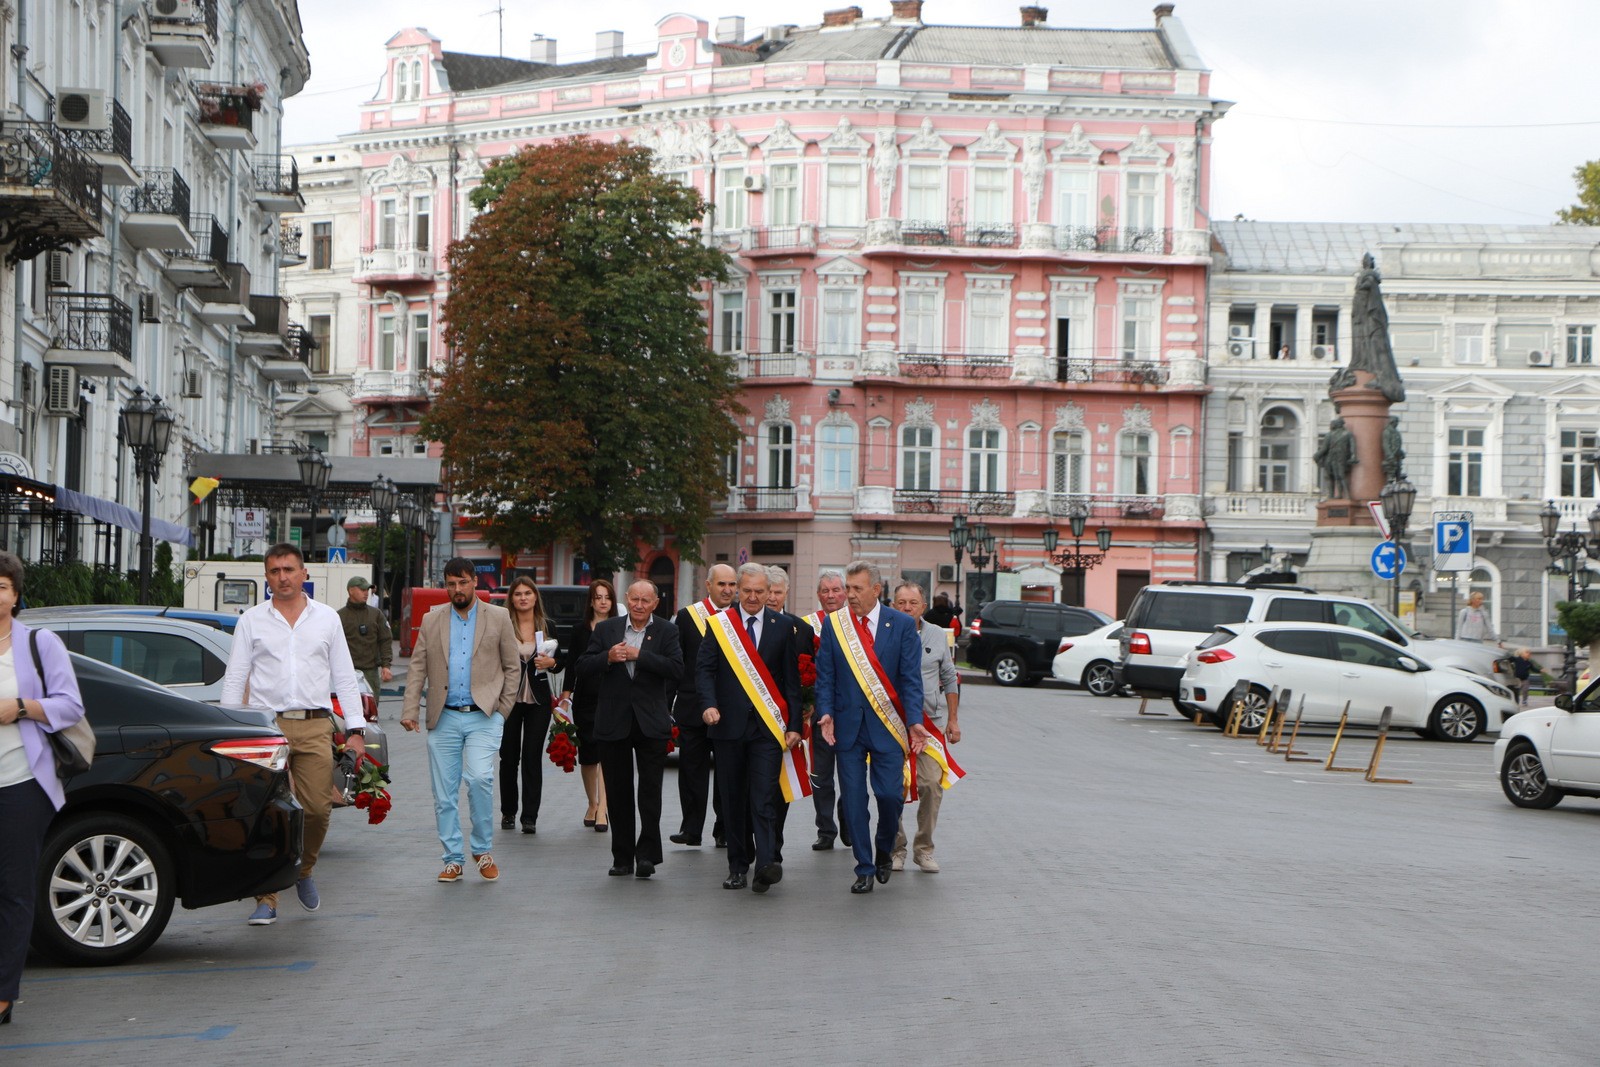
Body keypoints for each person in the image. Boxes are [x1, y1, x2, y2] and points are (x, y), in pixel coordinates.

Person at [222, 543, 366, 925]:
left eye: (288, 569)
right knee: (268, 812)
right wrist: (230, 725)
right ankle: (266, 897)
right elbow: (236, 677)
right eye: (274, 571)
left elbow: (344, 676)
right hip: (266, 725)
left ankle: (303, 871)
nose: (282, 577)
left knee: (318, 810)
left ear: (304, 574)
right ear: (266, 578)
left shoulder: (326, 620)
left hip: (316, 724)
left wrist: (356, 730)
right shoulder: (252, 620)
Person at [0, 551, 86, 1026]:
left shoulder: (39, 643)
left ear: (15, 594)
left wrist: (19, 706)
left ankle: (3, 992)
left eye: (2, 587)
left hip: (21, 781)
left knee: (13, 889)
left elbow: (70, 705)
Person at [400, 558, 520, 884]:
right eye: (451, 584)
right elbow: (417, 667)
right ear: (446, 585)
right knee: (444, 794)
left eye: (463, 582)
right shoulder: (432, 619)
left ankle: (482, 850)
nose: (457, 589)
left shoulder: (498, 616)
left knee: (480, 778)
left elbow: (513, 666)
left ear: (474, 583)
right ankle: (452, 858)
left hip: (484, 715)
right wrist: (410, 710)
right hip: (444, 716)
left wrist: (503, 710)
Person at [814, 561, 926, 894]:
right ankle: (863, 867)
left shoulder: (903, 625)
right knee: (853, 799)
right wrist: (825, 712)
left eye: (856, 589)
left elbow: (910, 679)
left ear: (876, 590)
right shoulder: (835, 625)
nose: (848, 595)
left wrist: (915, 721)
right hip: (846, 727)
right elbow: (826, 675)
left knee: (890, 796)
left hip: (888, 728)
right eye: (846, 588)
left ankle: (883, 848)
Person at [698, 564, 802, 892]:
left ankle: (767, 863)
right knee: (733, 800)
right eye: (747, 591)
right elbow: (705, 669)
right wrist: (709, 704)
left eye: (760, 591)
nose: (754, 597)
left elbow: (791, 682)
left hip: (767, 730)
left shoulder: (783, 626)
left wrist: (795, 724)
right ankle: (738, 866)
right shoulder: (720, 625)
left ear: (768, 591)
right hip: (727, 727)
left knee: (764, 796)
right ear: (738, 591)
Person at [577, 580, 682, 878]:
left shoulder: (666, 630)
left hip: (650, 722)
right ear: (626, 598)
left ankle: (647, 855)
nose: (638, 605)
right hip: (614, 721)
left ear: (655, 603)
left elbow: (677, 669)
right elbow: (582, 666)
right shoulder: (606, 629)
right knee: (619, 792)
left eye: (645, 600)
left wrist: (641, 656)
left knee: (650, 793)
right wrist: (607, 658)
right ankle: (622, 857)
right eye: (634, 599)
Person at [889, 581, 962, 874]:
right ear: (893, 605)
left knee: (932, 784)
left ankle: (924, 848)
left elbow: (949, 676)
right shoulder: (883, 633)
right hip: (891, 723)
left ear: (923, 606)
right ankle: (896, 848)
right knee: (891, 787)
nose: (907, 608)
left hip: (929, 723)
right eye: (901, 603)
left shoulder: (935, 635)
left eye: (913, 603)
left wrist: (953, 720)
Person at [669, 564, 737, 848]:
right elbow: (677, 662)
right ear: (708, 586)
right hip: (692, 707)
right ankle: (691, 828)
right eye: (722, 584)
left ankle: (724, 829)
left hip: (730, 709)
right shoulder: (687, 617)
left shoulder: (740, 617)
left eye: (732, 585)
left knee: (726, 773)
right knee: (691, 771)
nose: (728, 590)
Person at [498, 577, 559, 834]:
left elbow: (563, 661)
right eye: (518, 594)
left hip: (538, 700)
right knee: (508, 756)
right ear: (511, 598)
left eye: (528, 593)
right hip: (509, 699)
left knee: (532, 756)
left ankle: (530, 816)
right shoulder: (502, 625)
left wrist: (552, 664)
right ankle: (508, 811)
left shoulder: (548, 626)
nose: (523, 598)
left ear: (535, 597)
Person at [558, 579, 614, 832]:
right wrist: (565, 697)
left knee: (605, 754)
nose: (603, 601)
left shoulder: (617, 628)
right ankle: (592, 802)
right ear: (591, 601)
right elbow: (572, 665)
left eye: (607, 597)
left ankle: (603, 808)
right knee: (588, 755)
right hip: (585, 698)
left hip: (611, 698)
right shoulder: (579, 630)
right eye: (598, 597)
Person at [801, 569, 849, 850]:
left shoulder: (855, 625)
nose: (831, 595)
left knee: (850, 772)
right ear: (818, 595)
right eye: (825, 591)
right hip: (820, 713)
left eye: (836, 590)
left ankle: (848, 818)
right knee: (821, 774)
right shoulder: (808, 626)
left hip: (849, 712)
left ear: (845, 593)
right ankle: (825, 829)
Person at [338, 575, 393, 709]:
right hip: (347, 673)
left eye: (367, 590)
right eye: (362, 589)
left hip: (370, 672)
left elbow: (385, 639)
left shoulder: (376, 614)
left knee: (371, 710)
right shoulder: (339, 616)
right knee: (347, 709)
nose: (366, 593)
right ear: (351, 591)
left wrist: (386, 666)